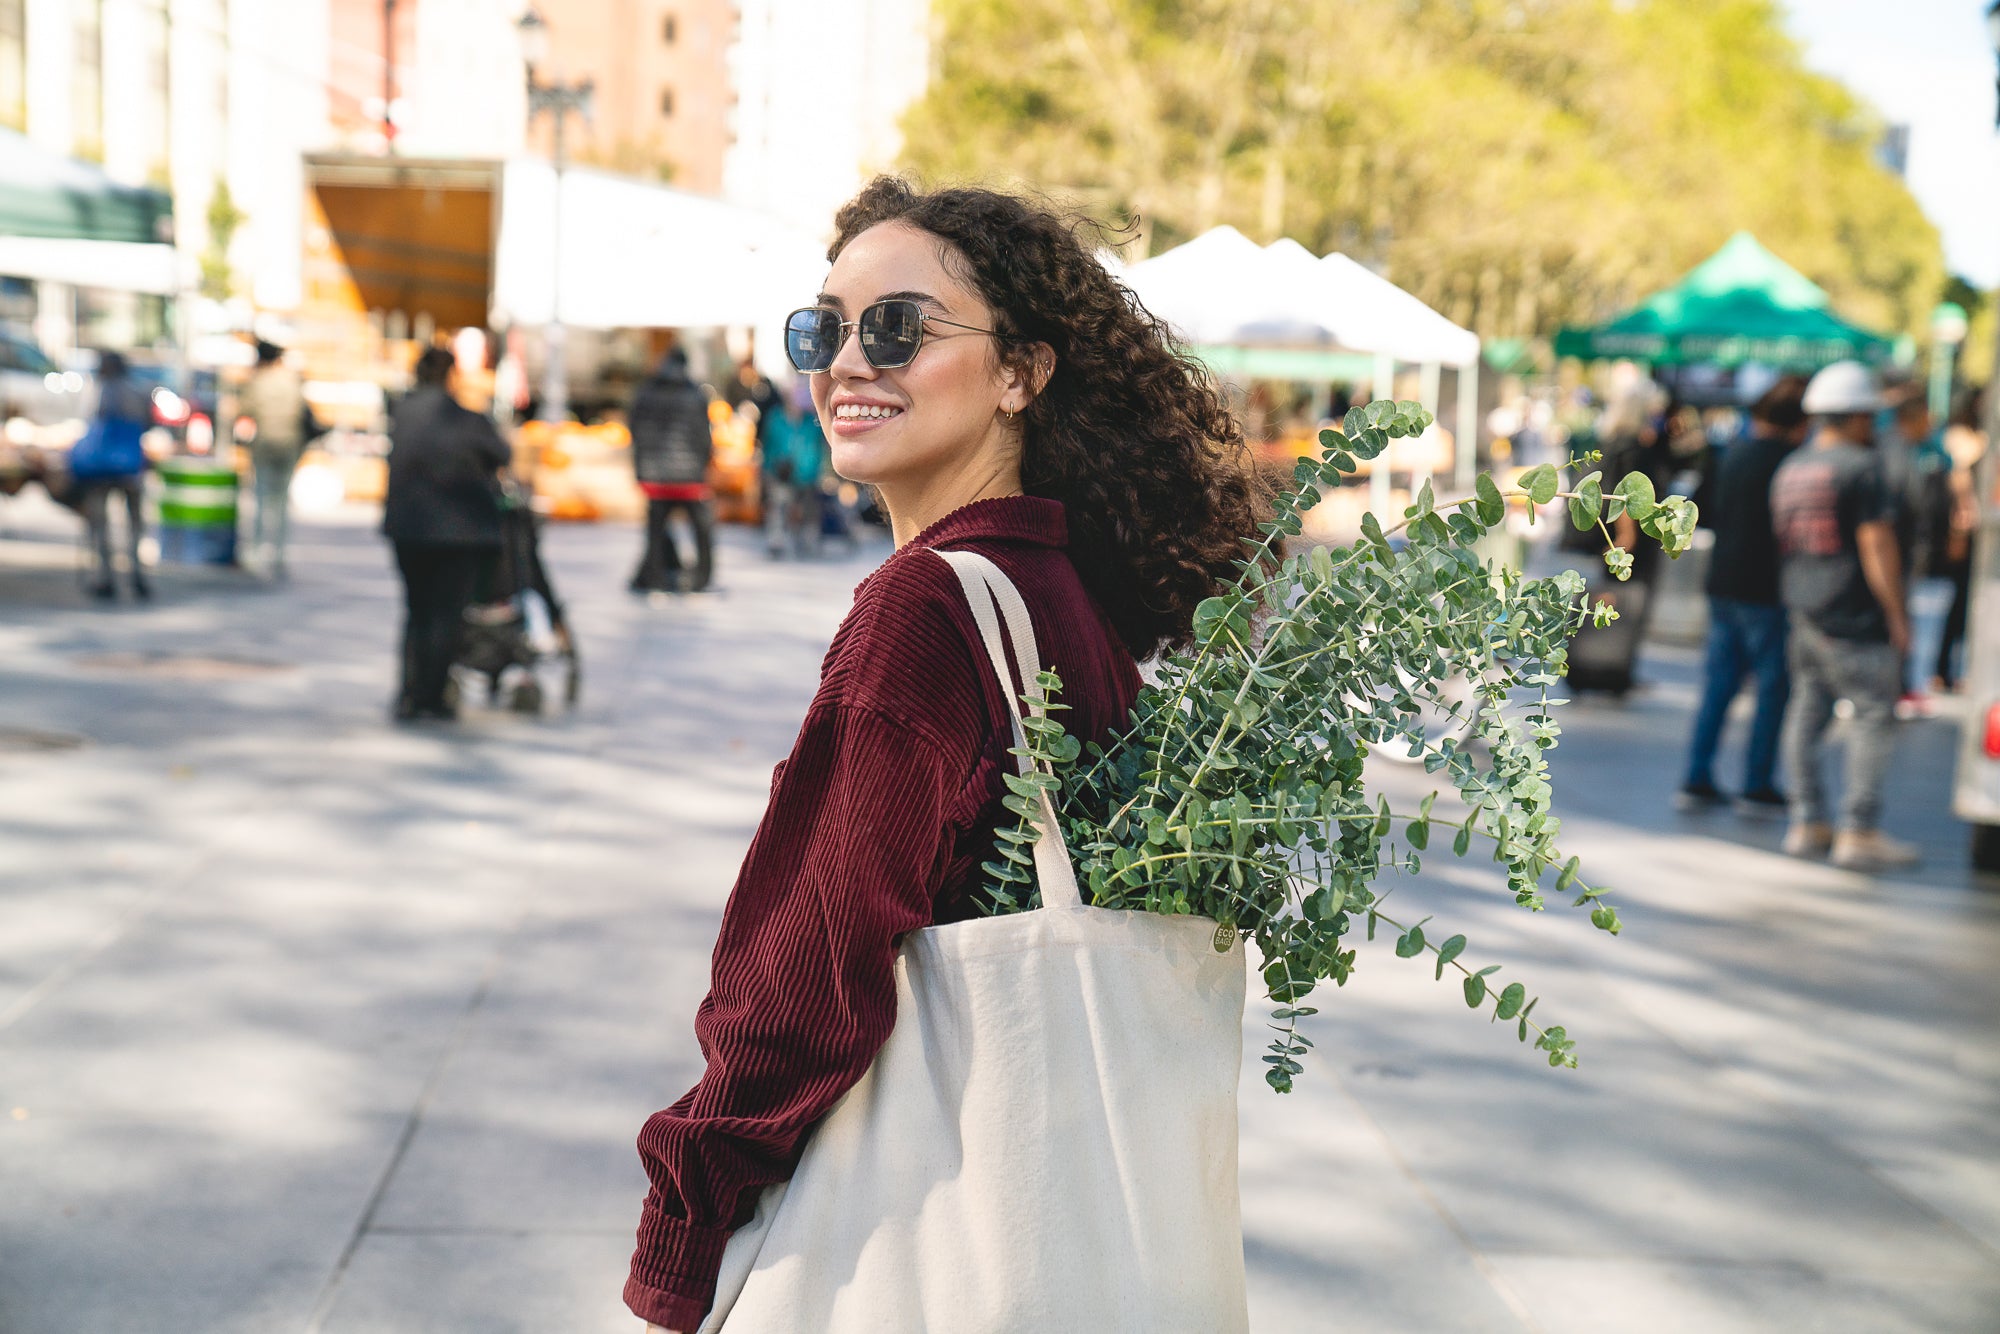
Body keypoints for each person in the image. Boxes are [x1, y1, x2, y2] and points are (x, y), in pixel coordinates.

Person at [624, 178, 1265, 1332]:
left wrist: (684, 1227)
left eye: (899, 328)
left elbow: (807, 974)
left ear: (1021, 370)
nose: (847, 365)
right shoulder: (1058, 591)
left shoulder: (924, 610)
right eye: (824, 329)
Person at [1770, 360, 1918, 871]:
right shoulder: (1862, 467)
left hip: (1804, 613)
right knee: (1875, 717)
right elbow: (1876, 542)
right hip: (1855, 617)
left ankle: (1807, 822)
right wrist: (1898, 613)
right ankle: (1858, 830)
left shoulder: (1790, 468)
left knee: (1806, 716)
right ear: (1856, 416)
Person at [1678, 376, 1809, 815]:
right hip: (1768, 588)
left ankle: (1697, 774)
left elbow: (1701, 511)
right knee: (1772, 689)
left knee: (1719, 685)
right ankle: (1756, 781)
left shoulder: (1729, 454)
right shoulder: (1793, 463)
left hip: (1724, 581)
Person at [382, 345, 511, 721]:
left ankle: (409, 693)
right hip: (459, 531)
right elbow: (501, 455)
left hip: (408, 528)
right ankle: (431, 696)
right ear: (451, 374)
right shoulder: (467, 420)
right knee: (446, 614)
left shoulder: (402, 413)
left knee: (416, 611)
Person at [628, 349, 716, 593]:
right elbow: (704, 435)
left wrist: (641, 469)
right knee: (701, 530)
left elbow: (635, 430)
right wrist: (702, 465)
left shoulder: (646, 391)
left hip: (654, 477)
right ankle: (702, 578)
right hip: (689, 478)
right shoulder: (695, 393)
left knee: (655, 532)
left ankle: (655, 578)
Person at [72, 350, 153, 601]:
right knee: (135, 523)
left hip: (100, 468)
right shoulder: (139, 391)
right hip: (130, 465)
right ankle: (136, 573)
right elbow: (148, 423)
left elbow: (87, 423)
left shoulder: (97, 391)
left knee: (100, 523)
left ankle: (106, 576)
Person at [237, 339, 308, 576]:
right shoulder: (292, 380)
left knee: (261, 498)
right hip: (290, 443)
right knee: (281, 499)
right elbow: (302, 410)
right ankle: (278, 553)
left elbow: (244, 410)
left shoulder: (258, 381)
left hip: (265, 443)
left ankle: (256, 553)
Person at [757, 375, 827, 558]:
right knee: (779, 504)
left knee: (808, 509)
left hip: (807, 472)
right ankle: (776, 540)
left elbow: (819, 448)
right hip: (779, 472)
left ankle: (807, 540)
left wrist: (819, 470)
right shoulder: (775, 418)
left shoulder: (811, 422)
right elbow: (768, 446)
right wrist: (767, 470)